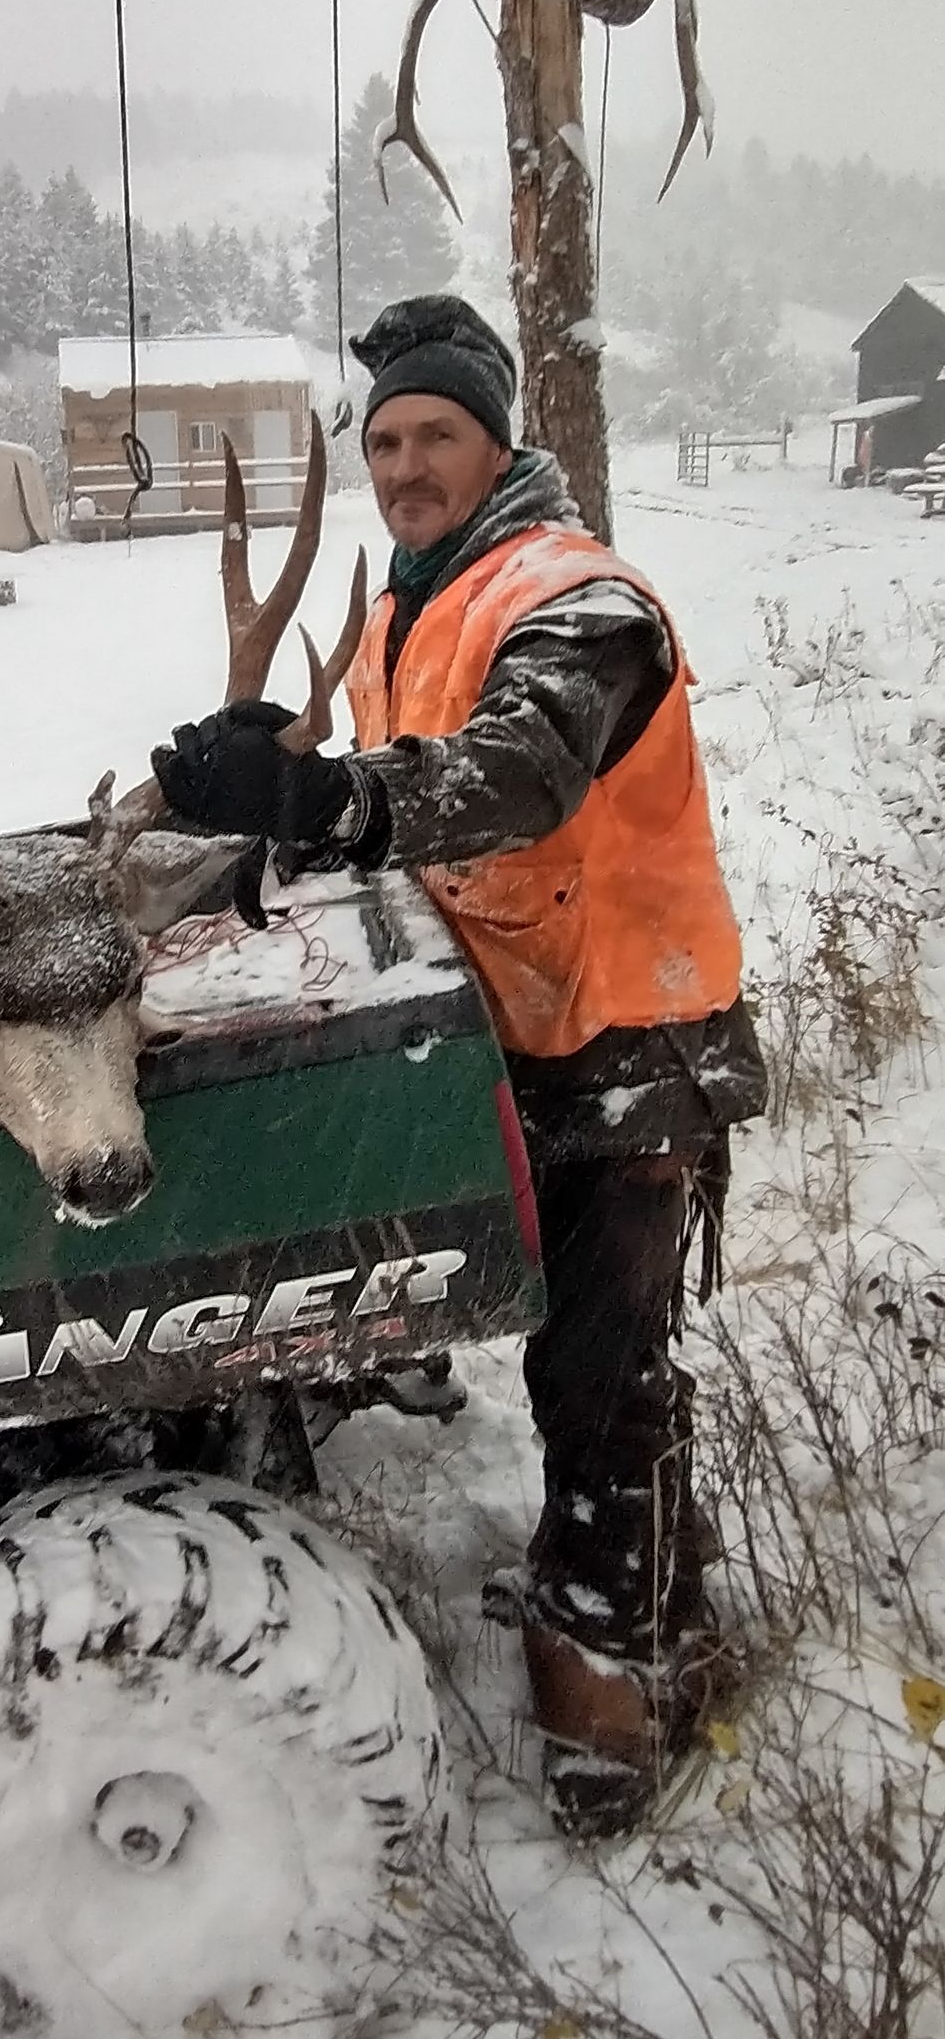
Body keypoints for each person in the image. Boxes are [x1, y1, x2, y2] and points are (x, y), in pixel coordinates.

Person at [152, 292, 767, 1840]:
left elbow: (512, 773)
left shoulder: (575, 594)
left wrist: (330, 802)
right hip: (528, 1034)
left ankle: (613, 1703)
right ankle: (647, 1598)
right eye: (386, 443)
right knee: (587, 1356)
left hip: (635, 1043)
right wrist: (276, 792)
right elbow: (404, 790)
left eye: (436, 434)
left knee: (600, 1377)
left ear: (498, 443)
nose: (406, 463)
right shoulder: (419, 601)